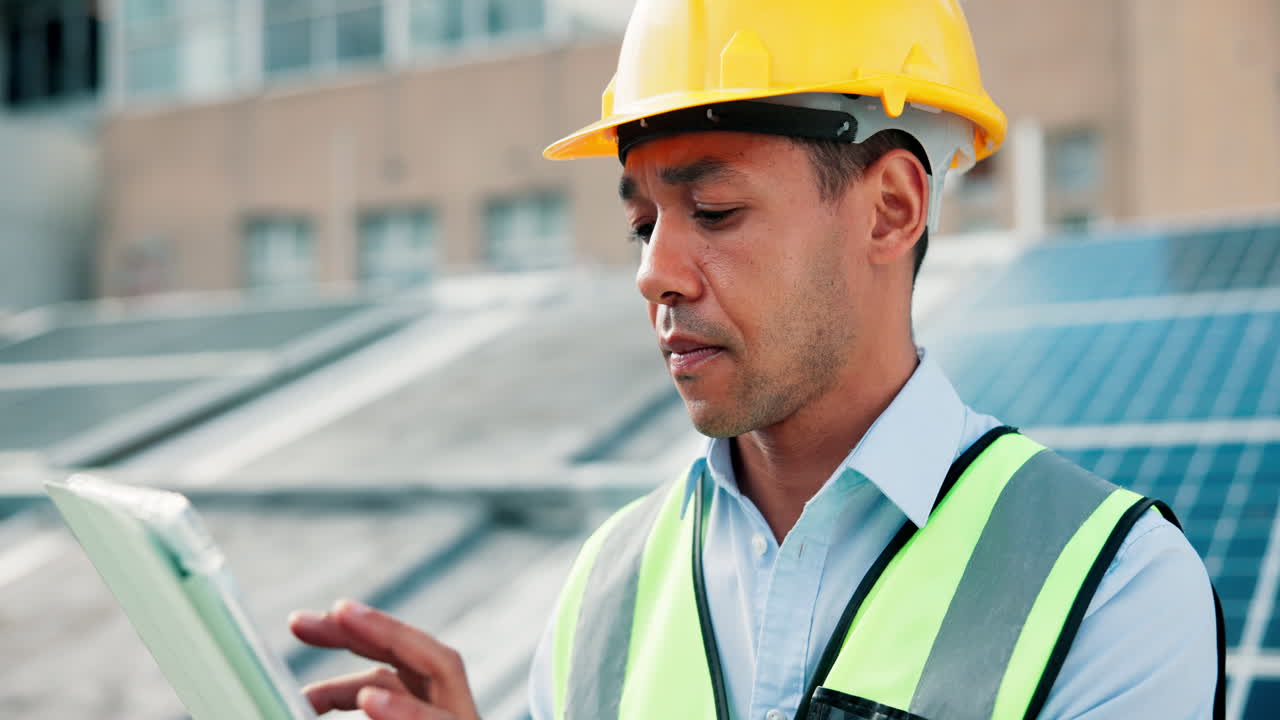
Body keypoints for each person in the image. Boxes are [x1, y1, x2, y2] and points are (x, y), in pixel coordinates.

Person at [288, 1, 1225, 718]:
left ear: (891, 208)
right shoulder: (604, 590)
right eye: (641, 224)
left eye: (716, 213)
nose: (654, 273)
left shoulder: (1116, 588)